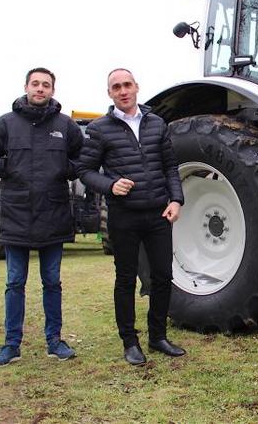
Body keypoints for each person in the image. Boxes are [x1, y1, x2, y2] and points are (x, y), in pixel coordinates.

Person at [0, 67, 84, 367]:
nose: (40, 89)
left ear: (52, 90)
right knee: (14, 282)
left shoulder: (66, 126)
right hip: (16, 214)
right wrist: (4, 168)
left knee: (52, 281)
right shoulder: (6, 125)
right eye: (35, 84)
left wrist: (67, 169)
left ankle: (54, 341)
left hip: (54, 213)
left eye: (46, 85)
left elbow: (84, 158)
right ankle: (11, 345)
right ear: (26, 87)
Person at [77, 68, 185, 366]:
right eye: (116, 87)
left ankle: (158, 337)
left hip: (158, 213)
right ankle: (130, 342)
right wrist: (110, 185)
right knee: (125, 279)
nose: (123, 91)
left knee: (162, 276)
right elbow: (84, 172)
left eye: (127, 85)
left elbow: (170, 167)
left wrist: (176, 199)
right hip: (123, 216)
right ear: (109, 93)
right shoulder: (100, 129)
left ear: (136, 87)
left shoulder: (157, 123)